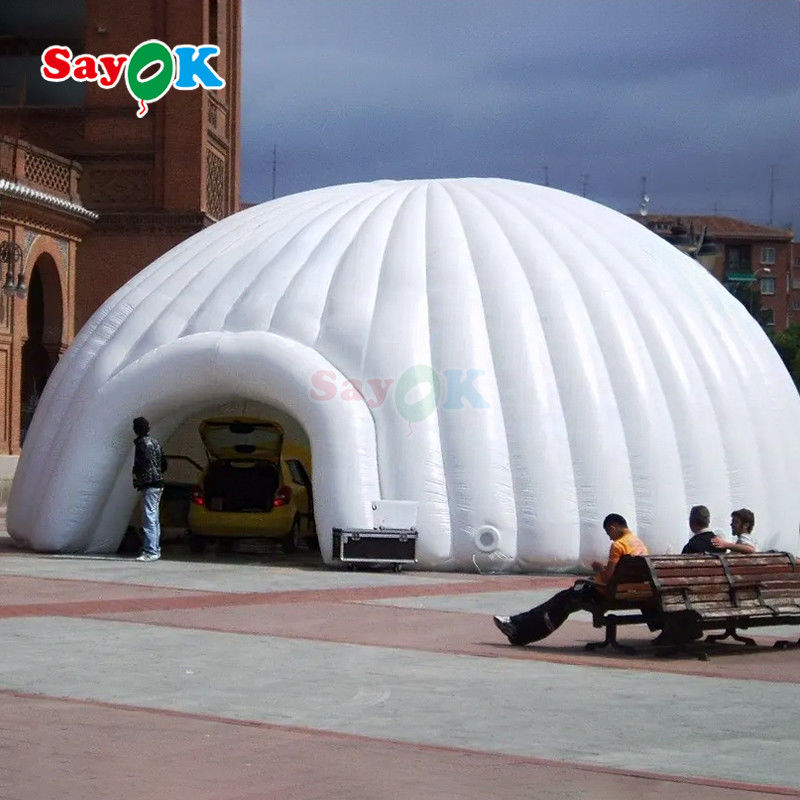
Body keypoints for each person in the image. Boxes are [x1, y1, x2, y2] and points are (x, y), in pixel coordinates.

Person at [493, 513, 648, 645]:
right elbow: (619, 574)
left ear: (613, 527)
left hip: (607, 594)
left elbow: (607, 579)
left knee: (561, 601)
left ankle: (517, 627)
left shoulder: (618, 545)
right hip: (630, 593)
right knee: (561, 604)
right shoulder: (639, 544)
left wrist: (599, 569)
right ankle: (518, 630)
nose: (609, 538)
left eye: (608, 533)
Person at [132, 416, 167, 562]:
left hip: (149, 484)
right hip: (158, 483)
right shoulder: (155, 442)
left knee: (148, 517)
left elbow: (141, 464)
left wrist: (138, 476)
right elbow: (164, 463)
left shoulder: (141, 444)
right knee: (154, 517)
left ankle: (150, 550)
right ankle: (155, 548)